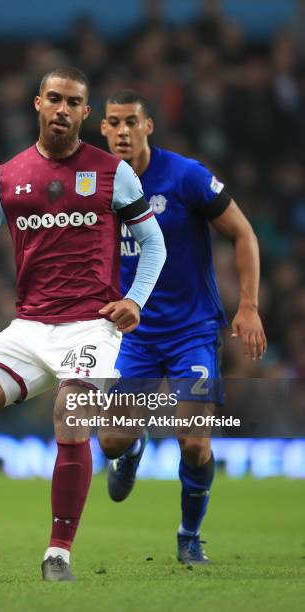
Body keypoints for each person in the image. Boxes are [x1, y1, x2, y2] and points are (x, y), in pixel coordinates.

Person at [0, 69, 166, 582]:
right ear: (38, 104)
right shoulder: (5, 177)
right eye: (54, 99)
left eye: (73, 102)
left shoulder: (114, 173)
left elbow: (154, 243)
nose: (63, 109)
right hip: (29, 325)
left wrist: (135, 300)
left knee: (70, 414)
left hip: (91, 325)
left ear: (85, 113)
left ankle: (58, 554)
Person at [99, 90, 267, 564]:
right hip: (135, 333)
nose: (123, 131)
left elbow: (243, 232)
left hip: (191, 330)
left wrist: (249, 305)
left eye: (132, 121)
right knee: (111, 439)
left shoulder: (185, 177)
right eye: (114, 123)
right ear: (104, 129)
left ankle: (189, 535)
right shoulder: (96, 184)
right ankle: (131, 450)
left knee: (195, 443)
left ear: (148, 126)